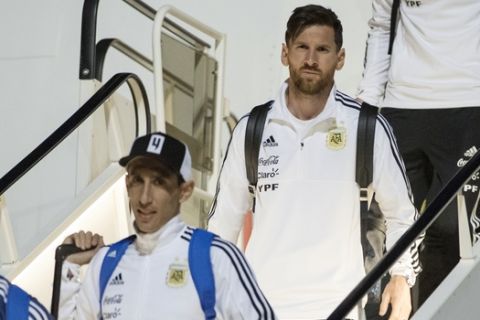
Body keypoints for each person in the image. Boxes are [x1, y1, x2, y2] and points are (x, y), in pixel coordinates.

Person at [208, 4, 421, 320]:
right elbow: (222, 228)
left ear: (340, 58)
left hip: (341, 309)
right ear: (285, 53)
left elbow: (403, 215)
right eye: (302, 48)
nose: (310, 59)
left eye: (322, 49)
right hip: (260, 309)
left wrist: (402, 276)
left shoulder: (367, 127)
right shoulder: (251, 130)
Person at [58, 132, 276, 319]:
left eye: (159, 182)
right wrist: (69, 266)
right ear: (127, 184)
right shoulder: (105, 263)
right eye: (137, 181)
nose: (144, 198)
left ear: (185, 190)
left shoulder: (215, 257)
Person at [357, 0, 480, 309]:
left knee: (450, 233)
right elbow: (382, 25)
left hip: (469, 106)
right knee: (384, 234)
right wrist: (367, 108)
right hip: (401, 108)